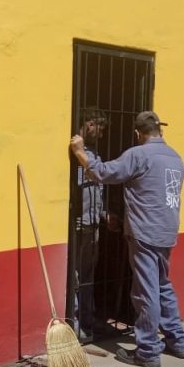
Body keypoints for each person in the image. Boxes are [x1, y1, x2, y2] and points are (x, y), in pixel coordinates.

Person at [69, 110, 184, 367]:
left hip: (145, 233)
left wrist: (80, 152)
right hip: (167, 231)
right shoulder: (175, 157)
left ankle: (147, 351)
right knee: (163, 285)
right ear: (161, 131)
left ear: (138, 134)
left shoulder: (139, 155)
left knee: (145, 291)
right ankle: (177, 340)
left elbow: (101, 173)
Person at [71, 107, 110, 340]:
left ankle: (87, 322)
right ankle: (75, 323)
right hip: (78, 222)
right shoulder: (75, 153)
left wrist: (104, 213)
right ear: (87, 124)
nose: (101, 133)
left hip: (93, 222)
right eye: (98, 126)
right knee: (76, 276)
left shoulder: (93, 153)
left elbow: (98, 187)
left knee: (87, 276)